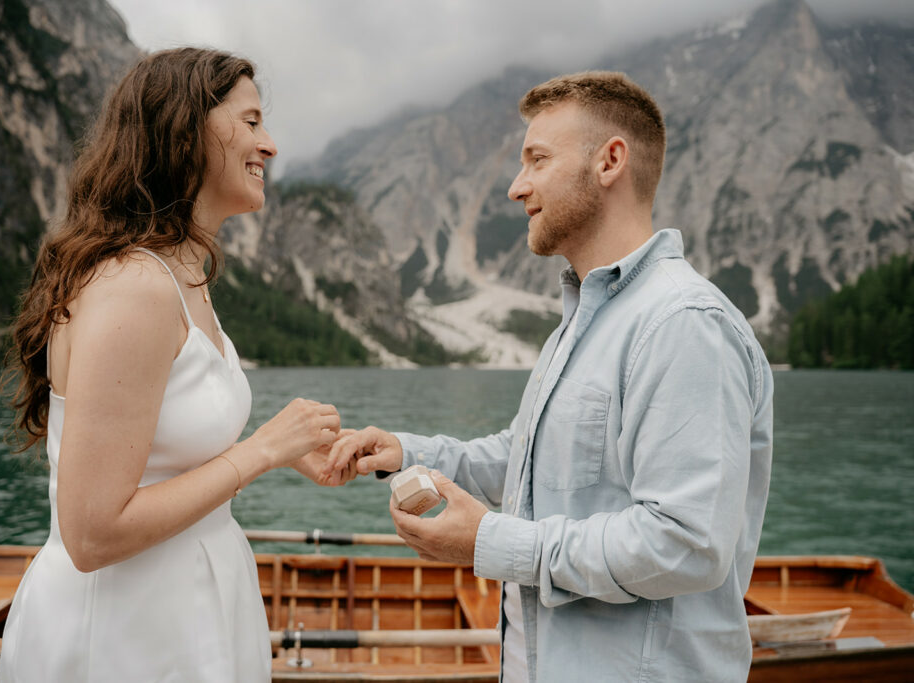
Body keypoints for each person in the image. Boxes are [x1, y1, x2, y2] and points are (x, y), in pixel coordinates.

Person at [325, 71, 773, 682]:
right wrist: (406, 453)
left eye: (537, 160)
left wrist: (491, 543)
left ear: (609, 161)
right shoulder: (583, 321)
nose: (516, 187)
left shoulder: (683, 324)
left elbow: (684, 545)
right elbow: (529, 461)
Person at [0, 48, 343, 681]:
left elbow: (158, 450)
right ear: (186, 130)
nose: (270, 145)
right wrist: (261, 451)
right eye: (250, 121)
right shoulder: (133, 286)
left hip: (187, 609)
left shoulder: (181, 273)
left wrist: (287, 449)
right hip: (127, 637)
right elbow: (92, 533)